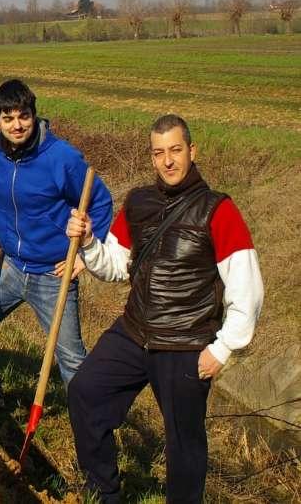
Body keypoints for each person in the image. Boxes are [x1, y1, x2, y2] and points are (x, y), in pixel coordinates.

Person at [65, 114, 263, 503]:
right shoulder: (138, 202)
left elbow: (247, 288)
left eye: (175, 150)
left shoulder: (217, 209)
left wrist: (222, 348)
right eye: (159, 153)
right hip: (135, 330)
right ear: (152, 157)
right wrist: (89, 243)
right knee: (85, 392)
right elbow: (117, 265)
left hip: (186, 343)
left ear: (192, 151)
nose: (168, 161)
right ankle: (104, 492)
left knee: (184, 446)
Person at [0, 79, 113, 402]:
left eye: (23, 116)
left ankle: (89, 431)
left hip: (53, 275)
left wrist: (85, 257)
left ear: (34, 115)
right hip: (11, 267)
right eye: (8, 118)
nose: (17, 125)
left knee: (71, 359)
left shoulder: (61, 158)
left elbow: (101, 202)